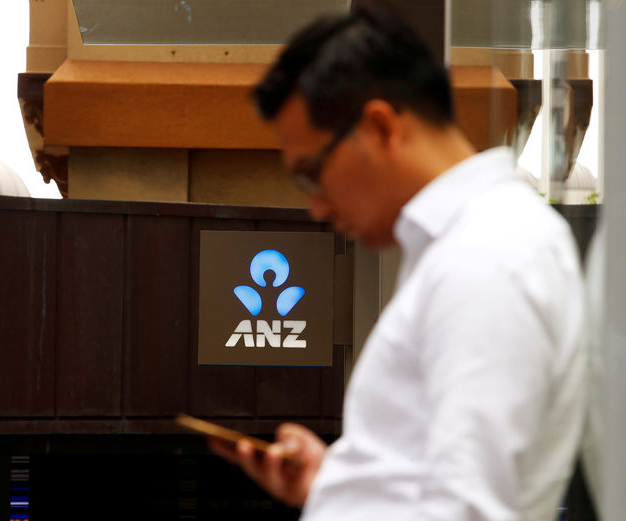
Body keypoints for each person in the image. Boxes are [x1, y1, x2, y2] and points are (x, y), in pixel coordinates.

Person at [211, 5, 587, 521]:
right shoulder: (471, 244)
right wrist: (340, 483)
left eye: (312, 173)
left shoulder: (485, 256)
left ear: (381, 127)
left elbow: (465, 508)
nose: (316, 205)